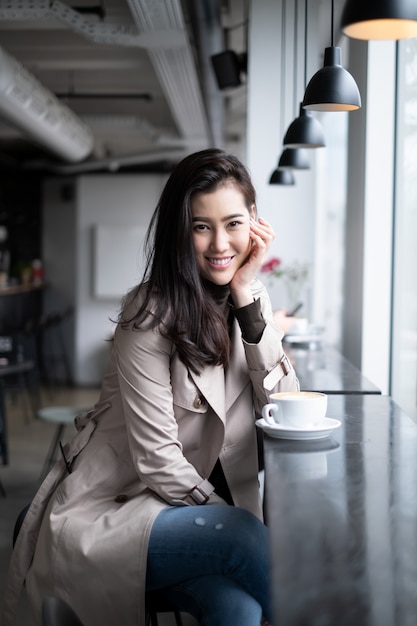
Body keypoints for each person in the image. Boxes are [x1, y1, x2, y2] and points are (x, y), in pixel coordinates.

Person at [2, 149, 299, 626]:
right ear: (180, 233)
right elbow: (158, 460)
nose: (220, 243)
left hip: (206, 521)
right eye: (201, 226)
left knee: (237, 607)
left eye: (233, 223)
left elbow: (285, 407)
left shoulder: (253, 298)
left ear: (255, 224)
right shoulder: (148, 315)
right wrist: (226, 521)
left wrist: (246, 295)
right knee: (245, 541)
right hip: (123, 514)